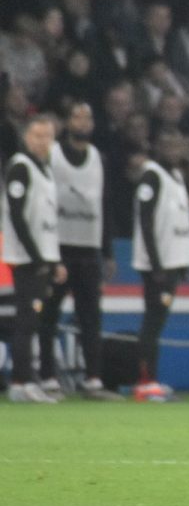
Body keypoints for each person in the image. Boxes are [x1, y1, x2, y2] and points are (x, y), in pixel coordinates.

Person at [40, 101, 123, 400]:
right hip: (59, 247)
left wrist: (108, 251)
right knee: (48, 315)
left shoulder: (99, 159)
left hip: (88, 249)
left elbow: (105, 205)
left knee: (91, 317)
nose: (83, 122)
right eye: (77, 116)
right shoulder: (54, 155)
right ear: (68, 122)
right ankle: (47, 376)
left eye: (88, 117)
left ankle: (93, 379)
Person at [131, 128, 189, 402]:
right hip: (157, 264)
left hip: (172, 262)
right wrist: (156, 263)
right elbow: (145, 221)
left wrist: (183, 261)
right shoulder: (152, 176)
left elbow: (179, 222)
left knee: (158, 322)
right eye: (168, 146)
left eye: (178, 145)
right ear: (157, 148)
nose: (174, 151)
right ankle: (145, 382)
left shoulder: (178, 176)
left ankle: (152, 379)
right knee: (152, 321)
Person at [3, 114, 65, 403]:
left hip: (43, 256)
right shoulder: (21, 167)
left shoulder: (45, 170)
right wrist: (36, 255)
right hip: (27, 258)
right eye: (38, 136)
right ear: (27, 137)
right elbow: (16, 214)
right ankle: (20, 381)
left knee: (34, 320)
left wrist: (55, 260)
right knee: (26, 320)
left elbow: (46, 221)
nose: (43, 142)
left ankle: (28, 378)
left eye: (48, 137)